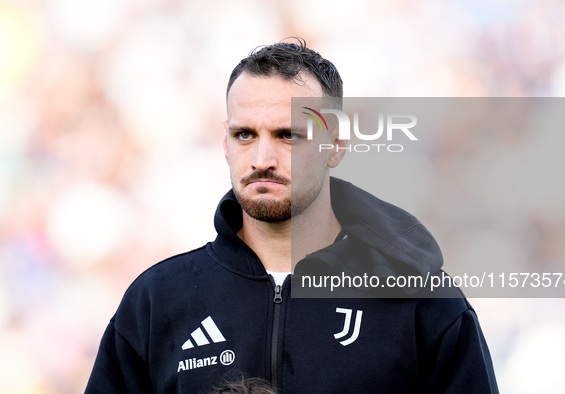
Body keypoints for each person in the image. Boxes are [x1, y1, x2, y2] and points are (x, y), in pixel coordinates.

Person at [85, 38, 499, 393]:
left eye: (288, 135)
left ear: (335, 145)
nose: (262, 159)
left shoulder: (420, 301)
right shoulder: (157, 301)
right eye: (245, 134)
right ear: (226, 143)